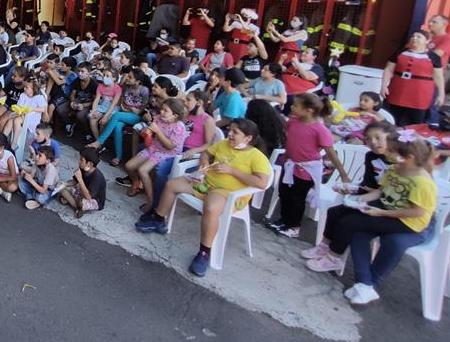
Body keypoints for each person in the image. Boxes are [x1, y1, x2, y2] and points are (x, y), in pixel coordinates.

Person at [302, 135, 438, 306]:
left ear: (409, 158)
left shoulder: (422, 182)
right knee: (358, 233)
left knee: (350, 223)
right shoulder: (395, 168)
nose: (388, 155)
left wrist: (381, 213)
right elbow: (381, 192)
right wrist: (361, 199)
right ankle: (364, 284)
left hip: (406, 222)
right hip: (386, 211)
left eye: (393, 152)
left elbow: (417, 212)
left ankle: (340, 263)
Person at [136, 119, 272, 277]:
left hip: (227, 193)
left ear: (248, 138)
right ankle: (158, 221)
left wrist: (232, 171)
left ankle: (204, 253)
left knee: (211, 207)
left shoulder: (256, 157)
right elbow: (207, 152)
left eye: (235, 132)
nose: (230, 134)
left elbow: (262, 183)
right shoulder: (224, 144)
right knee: (172, 185)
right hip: (206, 183)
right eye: (230, 130)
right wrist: (204, 161)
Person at [267, 93, 349, 238]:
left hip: (306, 170)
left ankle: (294, 226)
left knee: (297, 198)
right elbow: (291, 141)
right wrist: (285, 158)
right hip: (289, 165)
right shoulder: (293, 121)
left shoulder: (320, 130)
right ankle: (284, 220)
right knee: (284, 193)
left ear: (309, 110)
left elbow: (330, 153)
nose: (291, 107)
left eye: (296, 105)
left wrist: (343, 173)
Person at [124, 98, 187, 207]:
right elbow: (151, 133)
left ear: (175, 115)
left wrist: (157, 131)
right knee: (129, 166)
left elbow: (170, 146)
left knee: (142, 170)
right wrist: (147, 132)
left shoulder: (179, 127)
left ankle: (151, 201)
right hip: (153, 147)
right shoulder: (158, 118)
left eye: (165, 110)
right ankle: (136, 183)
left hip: (167, 153)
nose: (161, 112)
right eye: (162, 109)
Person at [381, 30, 445, 126]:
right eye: (413, 36)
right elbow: (388, 69)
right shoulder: (400, 52)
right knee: (392, 118)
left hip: (420, 94)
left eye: (419, 37)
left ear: (427, 41)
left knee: (416, 121)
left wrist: (441, 94)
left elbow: (438, 77)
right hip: (398, 90)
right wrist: (384, 86)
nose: (414, 38)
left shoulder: (433, 57)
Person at [96, 67, 151, 167]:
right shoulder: (126, 86)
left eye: (130, 77)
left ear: (138, 81)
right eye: (127, 76)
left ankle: (100, 141)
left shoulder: (144, 90)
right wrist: (129, 108)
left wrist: (129, 109)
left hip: (137, 117)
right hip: (124, 113)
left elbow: (141, 109)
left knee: (116, 115)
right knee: (117, 127)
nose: (127, 78)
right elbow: (123, 104)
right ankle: (118, 157)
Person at [60, 146, 107, 218]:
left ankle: (75, 204)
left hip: (94, 200)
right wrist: (64, 184)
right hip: (81, 192)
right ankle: (77, 208)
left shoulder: (97, 176)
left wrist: (80, 179)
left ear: (89, 164)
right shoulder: (83, 168)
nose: (79, 161)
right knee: (60, 187)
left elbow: (88, 196)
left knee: (81, 202)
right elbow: (75, 181)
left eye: (81, 160)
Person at [17, 145, 61, 210]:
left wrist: (31, 180)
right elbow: (31, 176)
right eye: (37, 154)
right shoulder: (37, 163)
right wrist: (25, 175)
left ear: (47, 161)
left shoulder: (50, 171)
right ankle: (32, 197)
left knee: (41, 198)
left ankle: (32, 197)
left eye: (40, 156)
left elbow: (43, 190)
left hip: (48, 189)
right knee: (20, 179)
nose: (37, 157)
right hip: (38, 183)